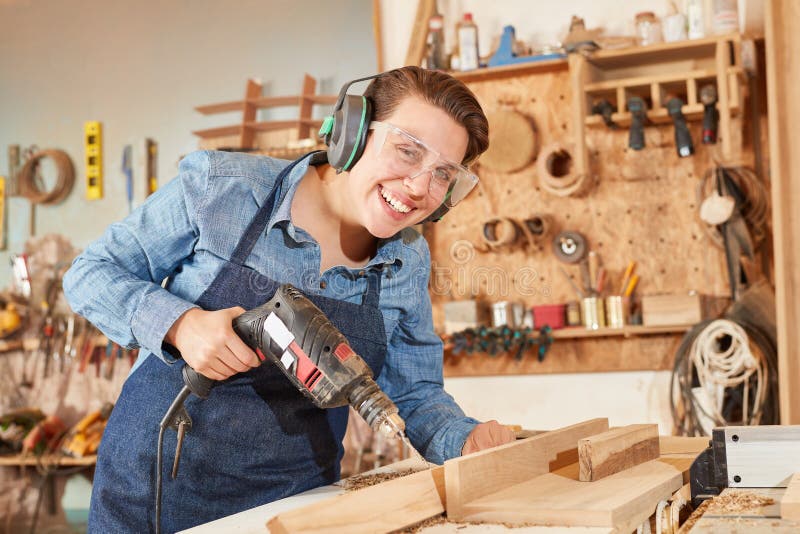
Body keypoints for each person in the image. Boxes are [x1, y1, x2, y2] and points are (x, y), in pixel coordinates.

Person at [63, 66, 516, 533]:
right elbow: (90, 274)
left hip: (297, 504)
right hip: (158, 487)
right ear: (353, 133)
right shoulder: (222, 188)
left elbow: (415, 393)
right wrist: (181, 324)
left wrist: (465, 441)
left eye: (443, 173)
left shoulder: (407, 259)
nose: (420, 188)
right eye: (407, 151)